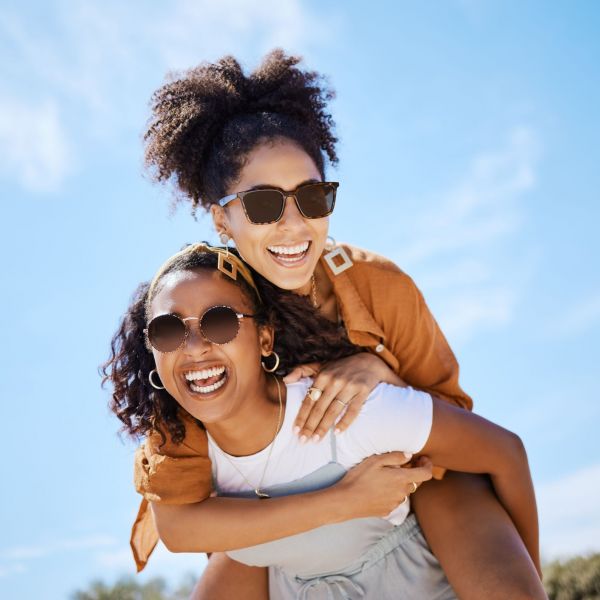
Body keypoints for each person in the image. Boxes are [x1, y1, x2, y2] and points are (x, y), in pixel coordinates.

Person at [134, 50, 544, 599]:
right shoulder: (202, 324)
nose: (293, 225)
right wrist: (338, 503)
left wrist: (381, 371)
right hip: (275, 510)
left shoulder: (377, 286)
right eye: (261, 205)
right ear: (220, 218)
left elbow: (457, 431)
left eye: (311, 197)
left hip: (407, 478)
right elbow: (184, 518)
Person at [103, 244, 545, 599]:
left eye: (220, 322)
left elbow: (505, 453)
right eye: (167, 330)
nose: (195, 346)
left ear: (264, 337)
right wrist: (346, 500)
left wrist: (530, 576)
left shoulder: (345, 407)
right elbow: (178, 532)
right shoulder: (178, 449)